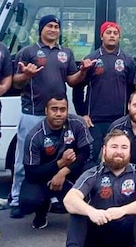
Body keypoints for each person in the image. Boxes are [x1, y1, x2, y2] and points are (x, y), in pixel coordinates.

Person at [10, 15, 86, 218]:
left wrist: (83, 72)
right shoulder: (28, 52)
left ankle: (51, 195)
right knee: (23, 159)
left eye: (56, 26)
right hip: (33, 113)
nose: (53, 29)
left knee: (55, 155)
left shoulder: (66, 53)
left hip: (58, 115)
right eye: (49, 26)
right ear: (40, 29)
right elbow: (16, 82)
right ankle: (16, 198)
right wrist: (26, 75)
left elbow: (72, 80)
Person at [21, 96, 92, 229]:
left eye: (62, 109)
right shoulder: (34, 136)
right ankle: (42, 210)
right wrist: (60, 163)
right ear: (46, 111)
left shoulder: (77, 123)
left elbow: (85, 153)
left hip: (70, 171)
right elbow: (31, 173)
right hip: (42, 176)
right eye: (54, 109)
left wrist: (63, 172)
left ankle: (86, 212)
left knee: (92, 169)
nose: (59, 113)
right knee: (28, 201)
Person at [73, 21, 136, 163]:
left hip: (120, 119)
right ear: (102, 36)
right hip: (95, 120)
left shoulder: (128, 61)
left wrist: (130, 114)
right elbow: (77, 88)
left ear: (119, 37)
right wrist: (82, 114)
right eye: (108, 33)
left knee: (118, 158)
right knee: (94, 158)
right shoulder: (91, 59)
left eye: (115, 33)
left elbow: (134, 90)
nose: (112, 36)